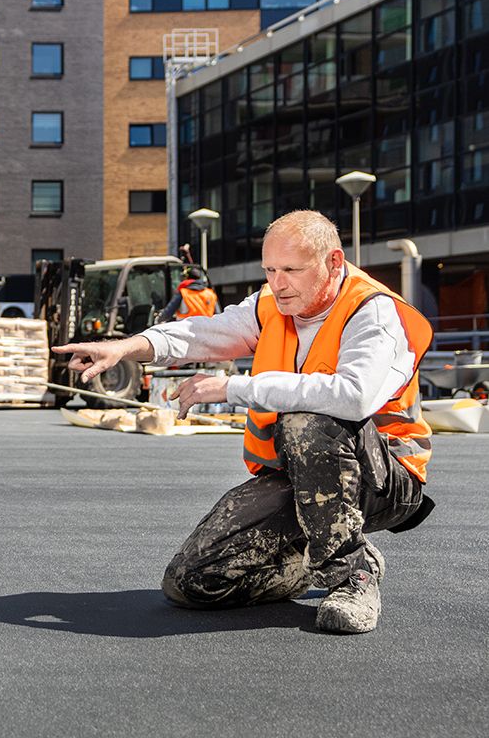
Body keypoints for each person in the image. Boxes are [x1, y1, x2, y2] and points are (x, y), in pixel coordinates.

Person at [53, 210, 434, 634]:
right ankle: (314, 558)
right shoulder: (271, 306)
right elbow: (203, 332)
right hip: (296, 474)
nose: (278, 282)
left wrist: (234, 388)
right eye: (270, 269)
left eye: (291, 269)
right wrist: (126, 347)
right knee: (192, 583)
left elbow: (353, 395)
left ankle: (350, 576)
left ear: (333, 262)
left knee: (309, 417)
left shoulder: (374, 313)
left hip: (382, 478)